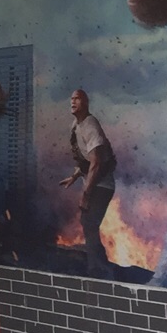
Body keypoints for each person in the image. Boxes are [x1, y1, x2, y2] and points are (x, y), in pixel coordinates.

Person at [60, 89, 117, 277]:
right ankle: (99, 263)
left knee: (89, 222)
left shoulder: (90, 125)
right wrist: (75, 176)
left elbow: (96, 162)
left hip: (102, 186)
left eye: (77, 98)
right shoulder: (76, 126)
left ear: (85, 102)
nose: (73, 102)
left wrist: (85, 194)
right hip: (94, 184)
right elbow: (85, 160)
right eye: (71, 98)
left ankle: (96, 268)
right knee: (88, 223)